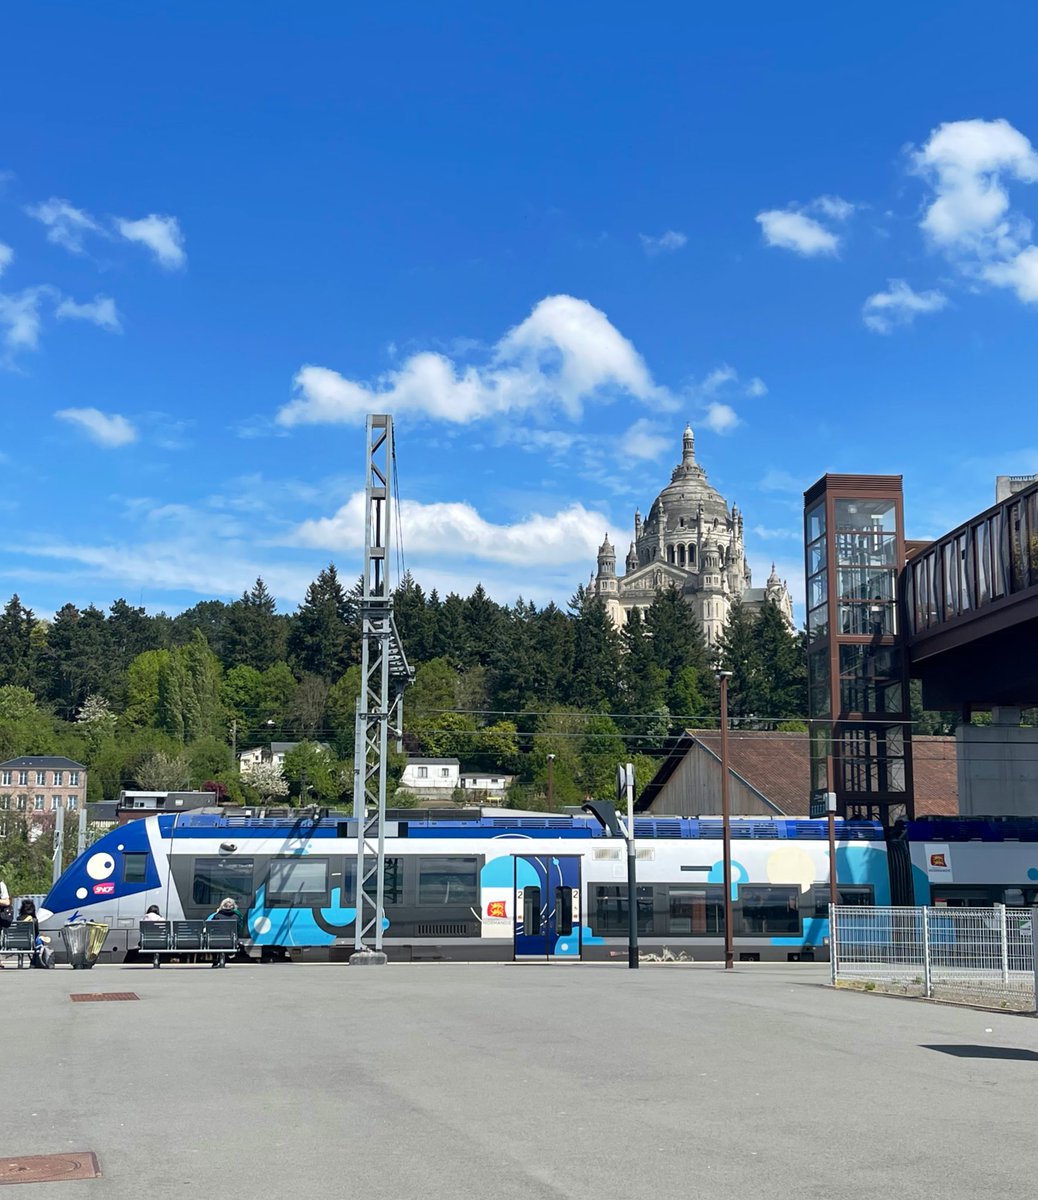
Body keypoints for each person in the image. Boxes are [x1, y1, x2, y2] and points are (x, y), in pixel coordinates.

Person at [206, 897, 244, 968]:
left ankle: (215, 960)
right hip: (231, 941)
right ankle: (225, 958)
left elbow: (211, 928)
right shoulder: (236, 917)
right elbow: (239, 930)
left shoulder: (217, 916)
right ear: (234, 906)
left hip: (216, 941)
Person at [18, 898, 53, 969]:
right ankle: (33, 962)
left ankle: (22, 963)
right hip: (31, 943)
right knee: (39, 941)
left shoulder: (18, 919)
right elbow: (36, 933)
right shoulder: (34, 920)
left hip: (19, 942)